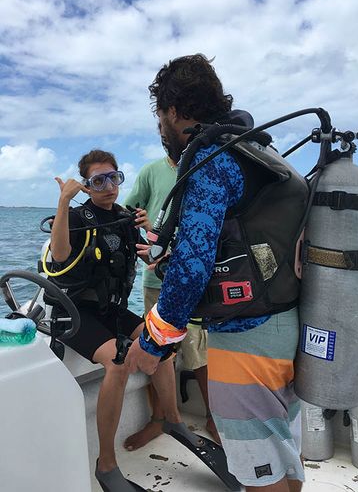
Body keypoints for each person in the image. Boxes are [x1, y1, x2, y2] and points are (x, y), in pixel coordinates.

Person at [126, 55, 306, 492]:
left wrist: (153, 343)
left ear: (171, 111)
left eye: (160, 117)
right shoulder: (257, 149)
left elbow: (191, 268)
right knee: (283, 461)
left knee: (260, 476)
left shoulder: (211, 157)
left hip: (247, 340)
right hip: (287, 327)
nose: (162, 128)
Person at [48, 149, 182, 492]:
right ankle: (105, 464)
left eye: (114, 177)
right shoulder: (77, 217)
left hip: (112, 308)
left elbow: (153, 257)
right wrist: (63, 203)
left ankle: (170, 420)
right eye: (99, 180)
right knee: (119, 364)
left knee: (162, 341)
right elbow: (60, 255)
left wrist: (152, 232)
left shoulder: (123, 217)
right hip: (76, 312)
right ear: (87, 186)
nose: (109, 186)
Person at [123, 133, 219, 448]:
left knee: (197, 351)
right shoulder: (151, 172)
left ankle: (213, 418)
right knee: (158, 352)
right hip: (156, 281)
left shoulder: (206, 168)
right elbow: (126, 215)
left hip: (195, 281)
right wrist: (146, 227)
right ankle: (159, 420)